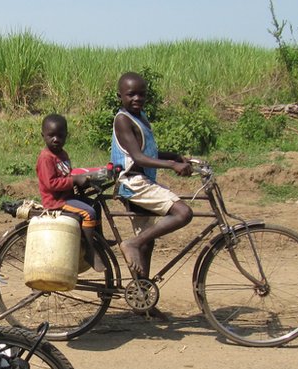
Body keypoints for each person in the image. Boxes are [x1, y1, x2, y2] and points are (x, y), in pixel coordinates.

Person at [110, 71, 194, 280]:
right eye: (131, 94)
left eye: (141, 94)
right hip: (134, 184)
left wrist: (175, 156)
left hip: (143, 181)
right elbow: (138, 158)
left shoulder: (141, 117)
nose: (137, 98)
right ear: (120, 96)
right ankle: (131, 244)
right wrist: (171, 164)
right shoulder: (123, 120)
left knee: (147, 240)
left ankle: (142, 294)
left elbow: (148, 152)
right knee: (183, 213)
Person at [36, 113, 105, 272]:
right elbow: (51, 184)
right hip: (56, 202)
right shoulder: (46, 158)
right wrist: (74, 181)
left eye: (60, 136)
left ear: (66, 136)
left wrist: (81, 180)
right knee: (88, 213)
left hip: (68, 197)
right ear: (43, 136)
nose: (56, 139)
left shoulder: (63, 154)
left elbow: (66, 174)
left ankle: (98, 241)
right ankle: (90, 251)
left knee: (96, 205)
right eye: (51, 135)